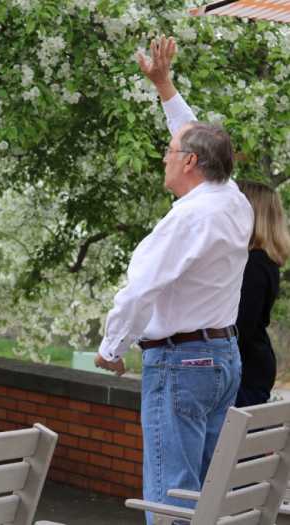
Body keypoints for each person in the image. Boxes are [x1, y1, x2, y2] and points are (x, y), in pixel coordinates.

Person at [94, 35, 253, 523]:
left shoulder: (185, 220)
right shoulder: (234, 201)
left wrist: (111, 347)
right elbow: (192, 134)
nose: (163, 156)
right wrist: (163, 85)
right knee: (204, 497)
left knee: (171, 499)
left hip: (183, 365)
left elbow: (142, 288)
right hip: (222, 360)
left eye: (169, 151)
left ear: (188, 163)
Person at [235, 180, 290, 408]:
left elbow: (240, 329)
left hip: (245, 374)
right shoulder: (262, 261)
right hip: (252, 370)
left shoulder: (255, 263)